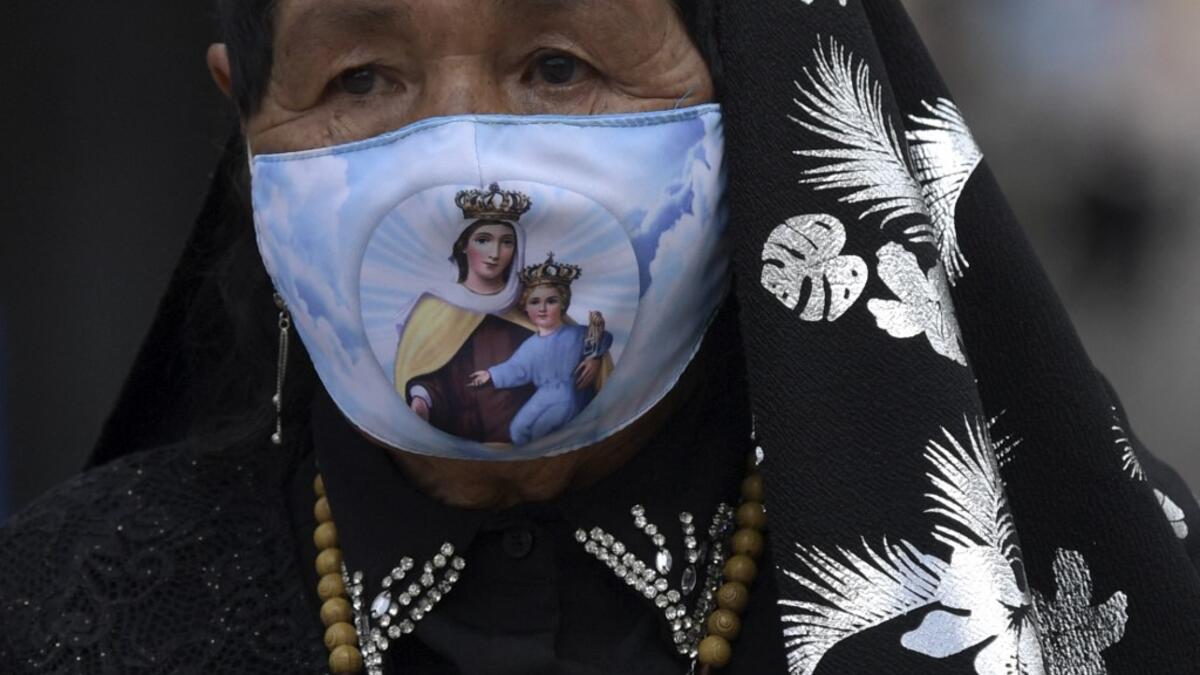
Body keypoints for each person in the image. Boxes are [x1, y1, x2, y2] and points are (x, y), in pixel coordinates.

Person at [2, 2, 1199, 675]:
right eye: (362, 79)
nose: (471, 177)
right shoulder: (62, 609)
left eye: (559, 67)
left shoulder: (1037, 587)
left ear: (749, 97)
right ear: (245, 120)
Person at [395, 186, 538, 445]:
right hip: (458, 444)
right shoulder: (434, 308)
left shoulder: (531, 312)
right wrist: (422, 399)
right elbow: (428, 376)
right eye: (483, 240)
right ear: (463, 245)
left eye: (506, 242)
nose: (495, 254)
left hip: (527, 441)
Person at [469, 255, 613, 445]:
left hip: (569, 394)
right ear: (526, 308)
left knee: (541, 432)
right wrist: (490, 374)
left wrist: (594, 358)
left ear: (562, 304)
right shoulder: (531, 345)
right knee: (518, 429)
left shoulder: (576, 334)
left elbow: (604, 336)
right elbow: (517, 368)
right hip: (544, 394)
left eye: (551, 301)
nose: (542, 308)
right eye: (535, 302)